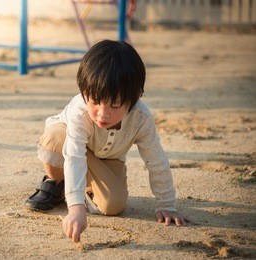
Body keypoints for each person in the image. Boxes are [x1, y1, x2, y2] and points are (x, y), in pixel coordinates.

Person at [25, 39, 191, 243]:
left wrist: (167, 204)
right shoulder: (80, 112)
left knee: (113, 205)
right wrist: (75, 207)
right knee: (54, 139)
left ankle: (81, 189)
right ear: (84, 91)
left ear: (135, 97)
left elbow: (156, 160)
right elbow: (75, 156)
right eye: (95, 102)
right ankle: (57, 183)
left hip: (107, 159)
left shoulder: (141, 118)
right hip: (68, 145)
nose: (103, 113)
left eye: (115, 104)